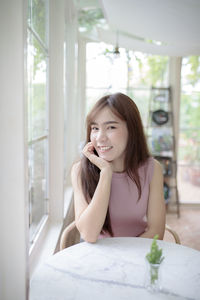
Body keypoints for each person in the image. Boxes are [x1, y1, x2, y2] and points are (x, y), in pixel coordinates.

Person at [71, 93, 166, 243]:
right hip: (96, 257)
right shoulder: (79, 171)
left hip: (137, 253)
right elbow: (89, 234)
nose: (100, 137)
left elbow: (157, 232)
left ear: (132, 130)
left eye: (111, 127)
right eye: (95, 128)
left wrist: (124, 259)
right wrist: (106, 173)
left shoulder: (152, 169)